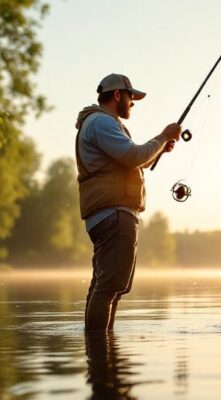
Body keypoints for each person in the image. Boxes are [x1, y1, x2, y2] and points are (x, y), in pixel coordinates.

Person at [75, 73, 181, 331]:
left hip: (107, 215)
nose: (133, 102)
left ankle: (101, 353)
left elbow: (129, 160)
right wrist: (163, 135)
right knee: (110, 286)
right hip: (114, 216)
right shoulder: (101, 122)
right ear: (117, 95)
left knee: (107, 285)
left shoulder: (99, 123)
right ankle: (99, 350)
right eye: (131, 96)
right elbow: (133, 156)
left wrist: (161, 146)